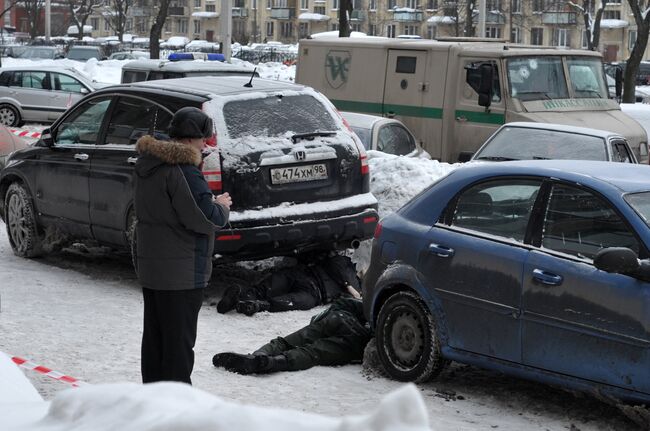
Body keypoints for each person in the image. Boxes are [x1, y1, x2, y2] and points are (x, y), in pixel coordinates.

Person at [134, 106, 232, 384]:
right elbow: (204, 218)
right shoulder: (183, 171)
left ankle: (152, 404)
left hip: (154, 268)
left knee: (155, 344)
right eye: (203, 139)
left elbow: (170, 210)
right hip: (181, 273)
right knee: (178, 348)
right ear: (190, 139)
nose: (205, 144)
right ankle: (177, 411)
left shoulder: (148, 164)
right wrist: (221, 207)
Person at [212, 297, 372, 374]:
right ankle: (270, 362)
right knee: (312, 353)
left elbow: (344, 303)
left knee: (286, 342)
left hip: (339, 318)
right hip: (358, 339)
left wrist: (321, 320)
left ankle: (259, 355)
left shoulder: (377, 299)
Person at [217, 254, 361, 316]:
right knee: (267, 287)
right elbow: (333, 263)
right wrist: (347, 284)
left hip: (314, 294)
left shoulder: (360, 291)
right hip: (303, 274)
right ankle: (238, 294)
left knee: (290, 302)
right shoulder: (346, 263)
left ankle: (255, 305)